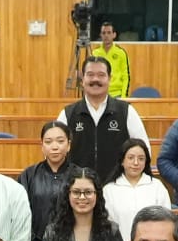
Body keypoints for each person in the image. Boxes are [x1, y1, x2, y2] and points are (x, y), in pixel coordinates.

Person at [57, 57, 149, 185]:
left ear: (109, 79)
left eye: (101, 75)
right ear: (82, 79)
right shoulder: (68, 114)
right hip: (79, 191)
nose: (95, 79)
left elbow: (143, 149)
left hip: (117, 188)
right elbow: (56, 152)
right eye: (90, 75)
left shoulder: (126, 111)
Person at [18, 121, 75, 241]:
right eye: (48, 142)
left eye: (60, 141)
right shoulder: (28, 175)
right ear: (42, 146)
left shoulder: (80, 175)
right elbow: (20, 214)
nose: (55, 147)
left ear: (69, 145)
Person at [91, 21, 131, 98]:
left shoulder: (121, 53)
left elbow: (126, 76)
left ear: (114, 35)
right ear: (100, 35)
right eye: (104, 33)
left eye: (109, 33)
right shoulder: (95, 53)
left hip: (117, 95)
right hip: (100, 94)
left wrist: (124, 97)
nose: (106, 35)